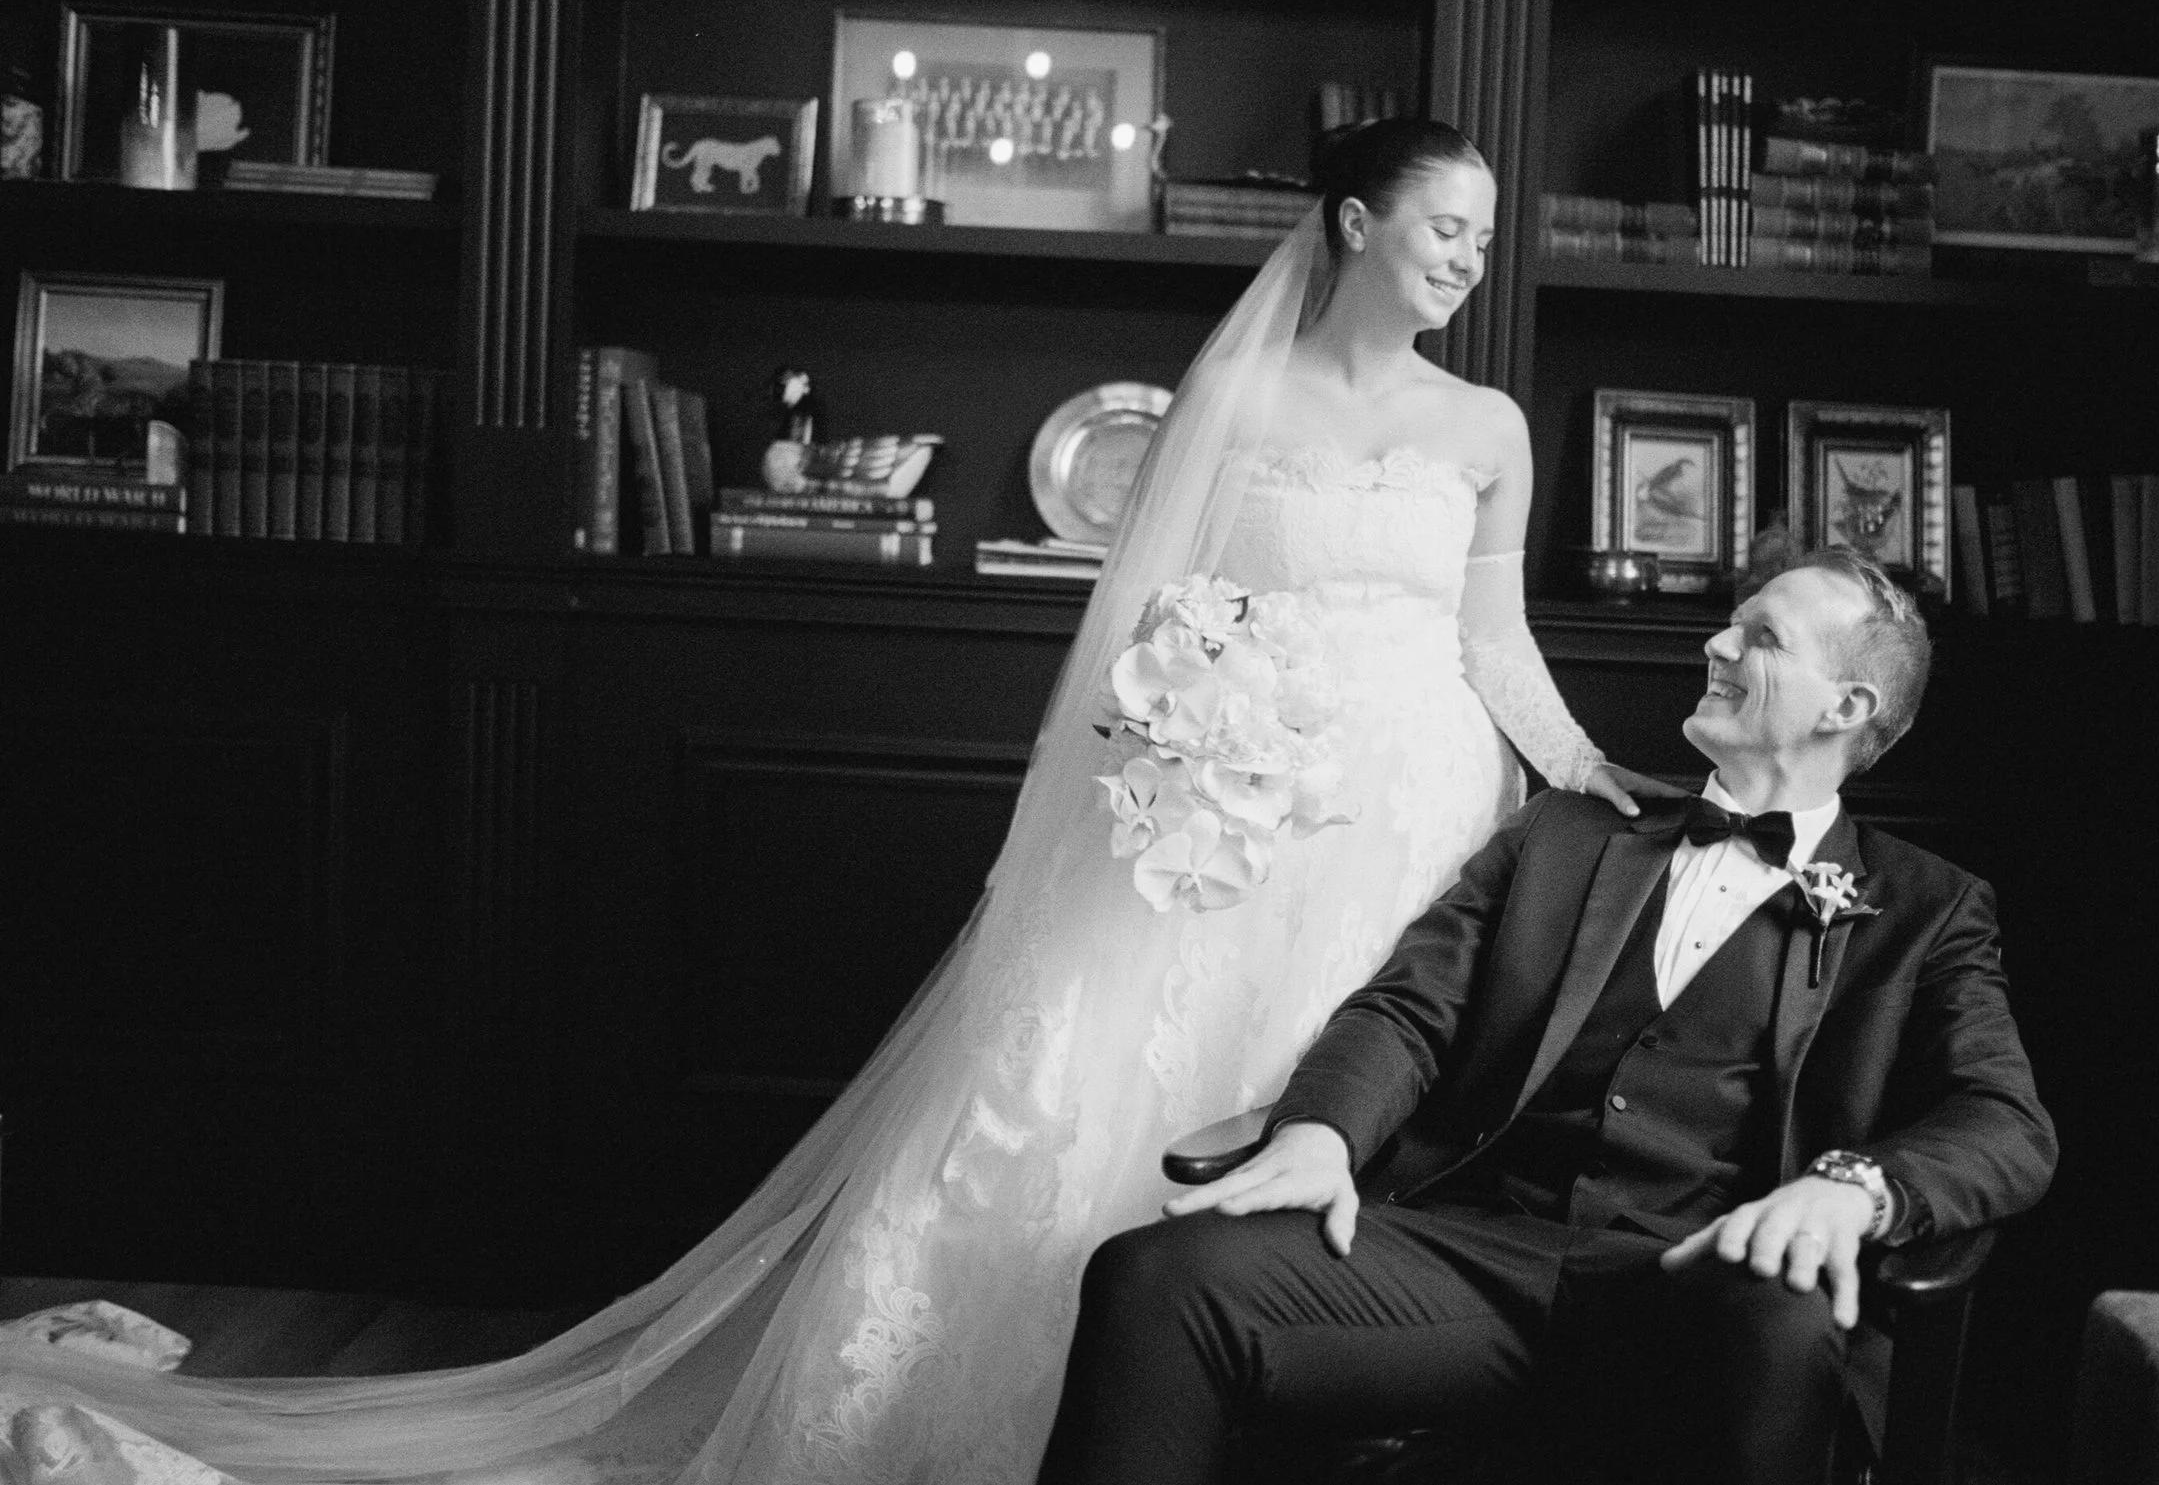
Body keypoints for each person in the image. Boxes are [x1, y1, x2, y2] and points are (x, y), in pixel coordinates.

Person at [0, 120, 1665, 1485]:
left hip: (1408, 812)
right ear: (1358, 222)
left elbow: (1493, 638)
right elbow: (1158, 621)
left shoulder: (1490, 424)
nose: (1469, 258)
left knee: (1339, 1086)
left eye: (1485, 233)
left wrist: (1585, 765)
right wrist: (1191, 739)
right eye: (1446, 226)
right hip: (1226, 803)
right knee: (1114, 1092)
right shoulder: (1234, 401)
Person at [1037, 548, 2059, 1485]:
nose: (1714, 642)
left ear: (1846, 702)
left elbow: (2004, 1119)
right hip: (1473, 1258)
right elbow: (1408, 1008)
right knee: (1159, 1275)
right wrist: (1319, 1132)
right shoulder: (1562, 833)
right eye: (1729, 622)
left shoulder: (1928, 906)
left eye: (1760, 635)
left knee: (1785, 1324)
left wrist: (1853, 1189)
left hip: (1707, 1288)